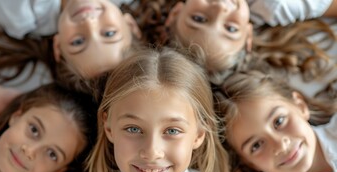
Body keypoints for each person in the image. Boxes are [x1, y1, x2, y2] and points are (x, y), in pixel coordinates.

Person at [60, 47, 252, 172]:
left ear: (199, 135)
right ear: (109, 127)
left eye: (172, 131)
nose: (152, 152)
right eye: (133, 129)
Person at [213, 70, 337, 172]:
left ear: (300, 106)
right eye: (256, 145)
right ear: (250, 164)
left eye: (279, 121)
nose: (280, 145)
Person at [127, 0, 337, 97]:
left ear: (175, 15)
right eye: (231, 28)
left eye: (199, 19)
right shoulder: (276, 5)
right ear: (248, 35)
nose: (220, 8)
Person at [0, 0, 141, 119]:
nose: (89, 23)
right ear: (131, 25)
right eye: (109, 34)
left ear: (58, 46)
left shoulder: (20, 12)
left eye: (78, 42)